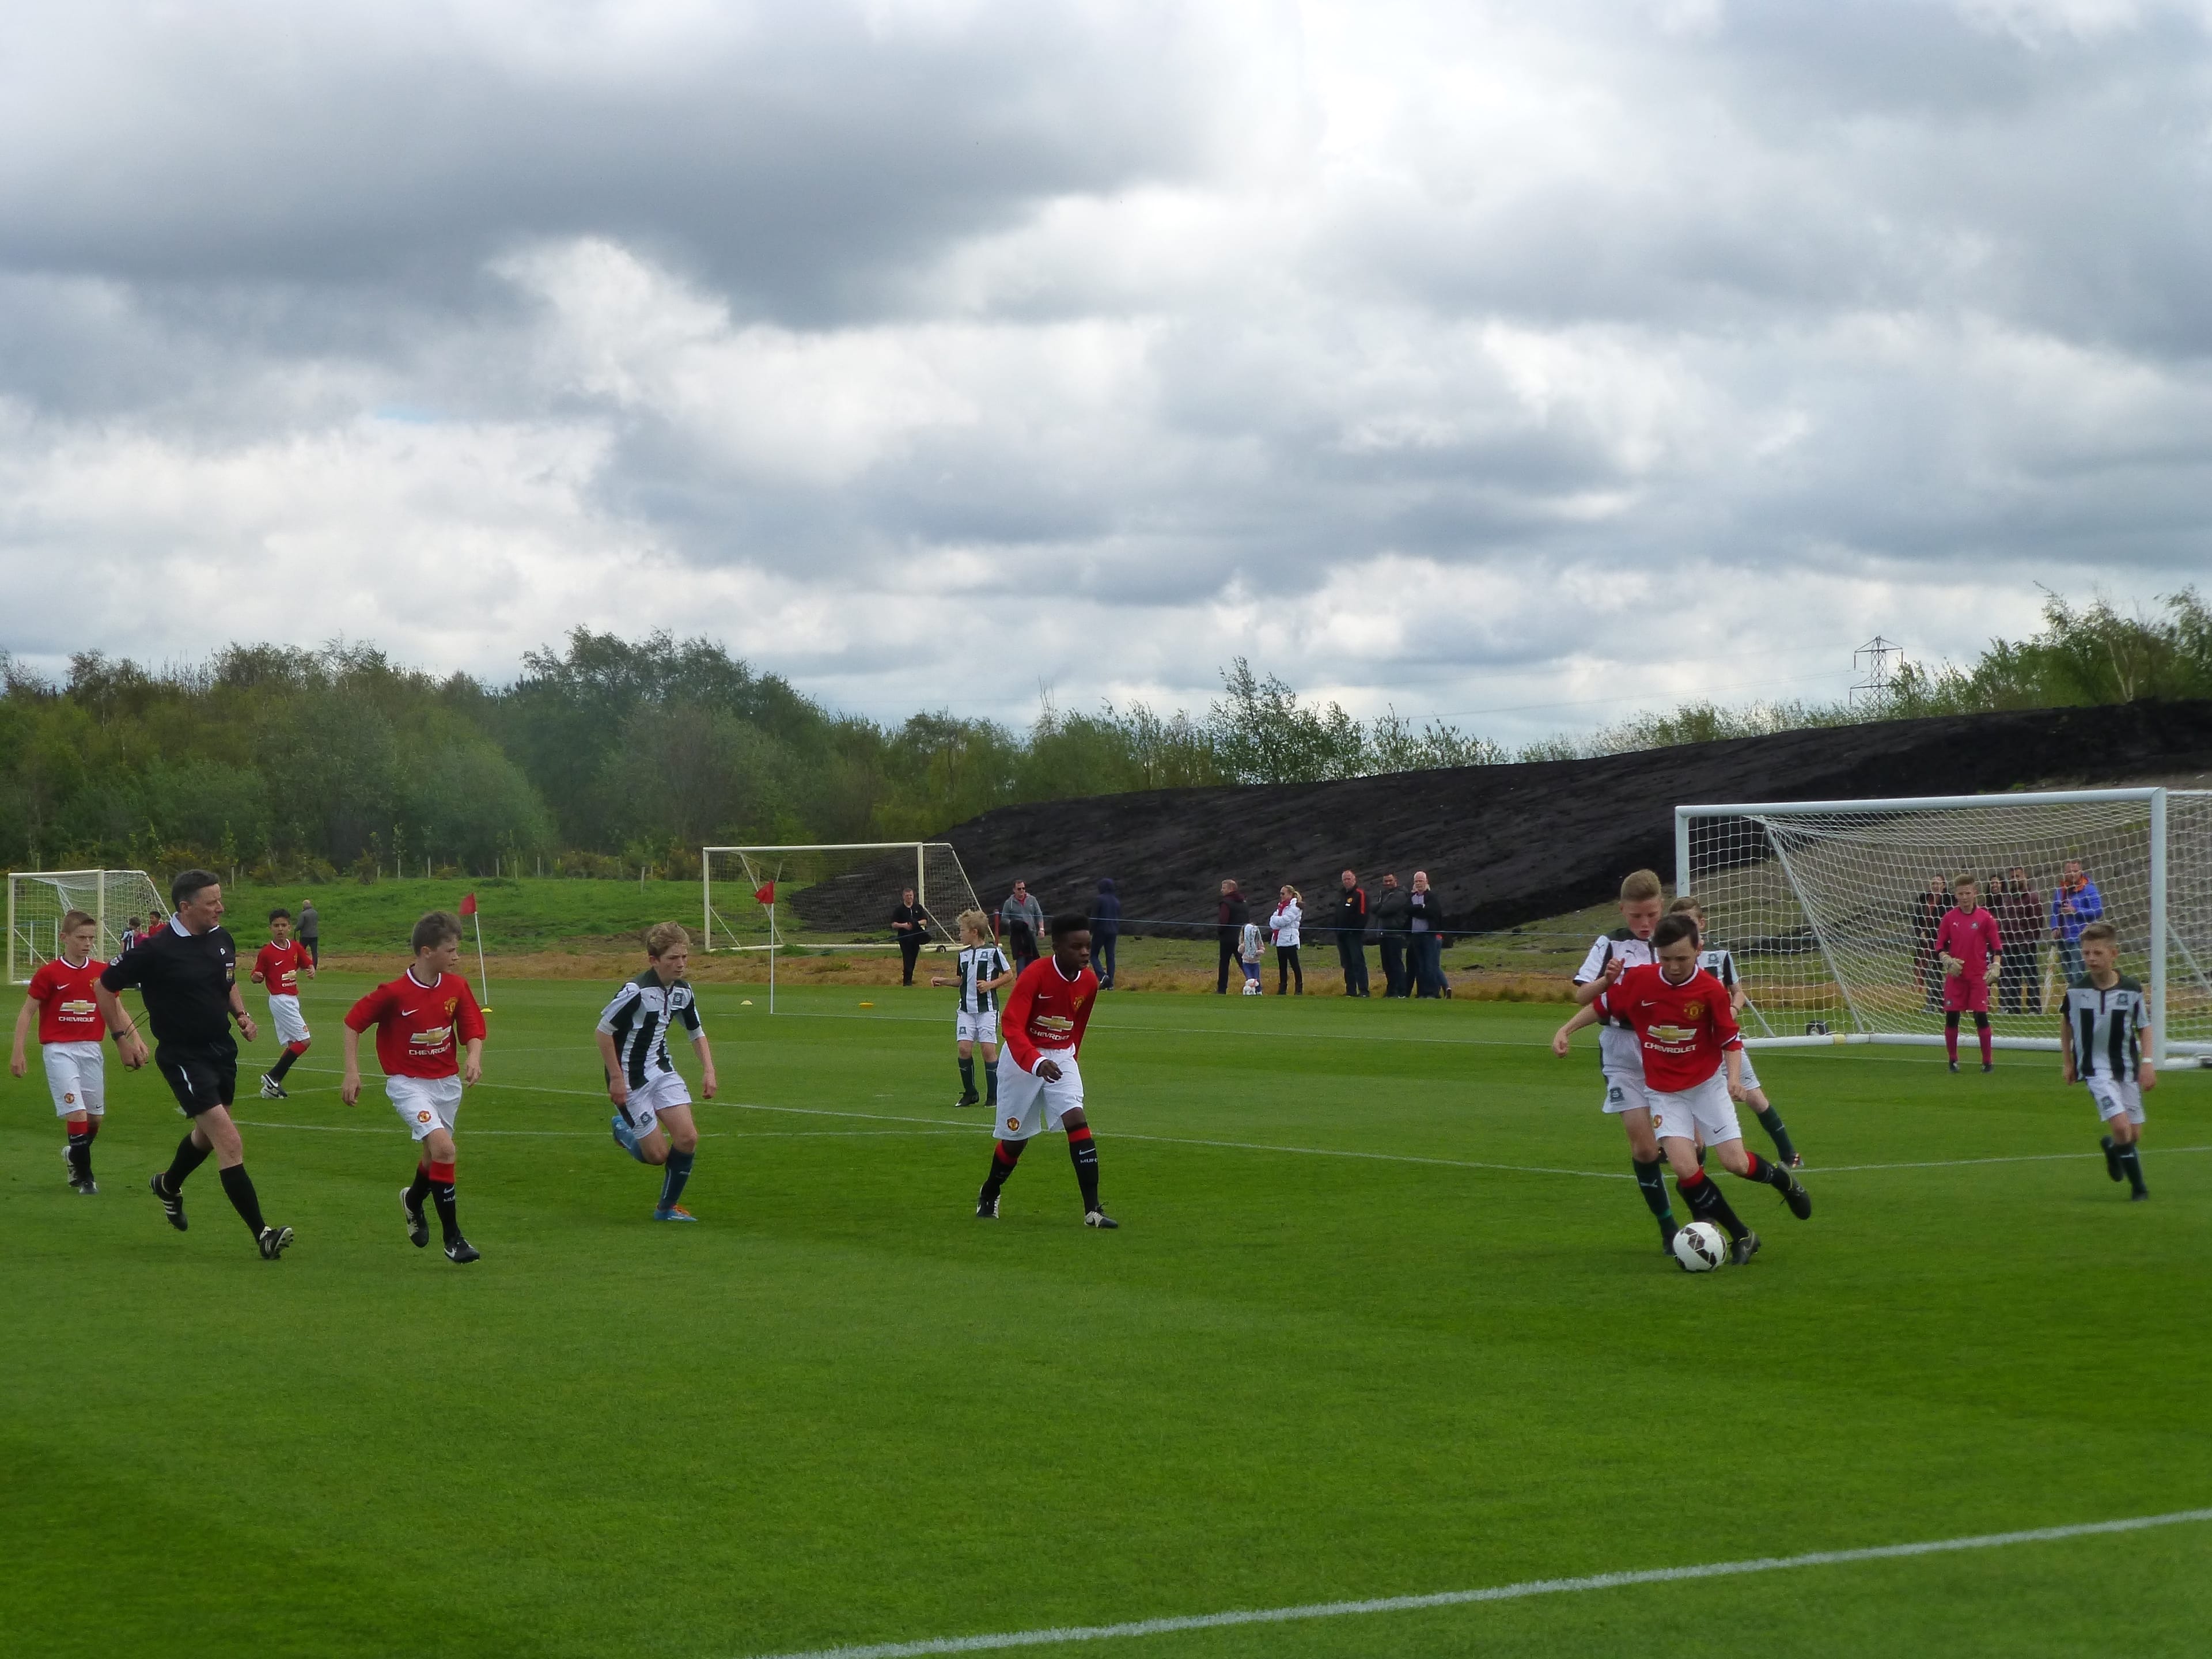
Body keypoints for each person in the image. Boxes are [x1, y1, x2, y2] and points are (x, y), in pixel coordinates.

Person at [1563, 912, 1812, 1267]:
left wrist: (1734, 1080)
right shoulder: (1639, 981)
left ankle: (1782, 1181)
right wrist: (1566, 1031)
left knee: (1735, 1164)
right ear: (1656, 953)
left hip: (1706, 1087)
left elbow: (1731, 1040)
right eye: (1666, 959)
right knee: (1685, 1170)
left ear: (1698, 949)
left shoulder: (1710, 989)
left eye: (1682, 958)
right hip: (1663, 1092)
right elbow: (1600, 1006)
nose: (1674, 966)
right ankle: (1742, 1235)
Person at [96, 868, 293, 1259]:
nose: (220, 907)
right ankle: (263, 1234)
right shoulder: (156, 949)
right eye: (212, 902)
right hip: (183, 1056)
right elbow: (104, 985)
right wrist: (121, 1040)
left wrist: (241, 1015)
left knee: (207, 1136)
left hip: (221, 1049)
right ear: (186, 907)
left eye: (220, 899)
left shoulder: (221, 938)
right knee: (229, 1141)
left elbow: (228, 981)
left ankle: (168, 1184)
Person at [340, 912, 488, 1262]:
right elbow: (352, 1024)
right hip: (408, 1085)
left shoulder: (457, 987)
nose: (457, 956)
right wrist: (352, 1071)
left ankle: (412, 1200)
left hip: (447, 1085)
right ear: (426, 951)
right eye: (450, 950)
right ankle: (454, 1239)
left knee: (433, 1156)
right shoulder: (393, 993)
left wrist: (474, 1057)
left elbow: (473, 1028)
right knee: (445, 1150)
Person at [1552, 869, 1677, 1252]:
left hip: (1668, 1047)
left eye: (1652, 915)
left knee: (1689, 1148)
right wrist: (1605, 983)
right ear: (1623, 910)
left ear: (1662, 908)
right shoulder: (1610, 944)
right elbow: (1582, 996)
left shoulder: (1677, 942)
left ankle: (1704, 1215)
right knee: (1644, 1150)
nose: (1645, 924)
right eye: (1637, 916)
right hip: (1622, 1050)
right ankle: (1669, 1230)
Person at [976, 911, 1116, 1228]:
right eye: (1076, 947)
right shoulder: (1035, 975)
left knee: (1076, 1118)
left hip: (1061, 1058)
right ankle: (990, 1191)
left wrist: (1071, 1059)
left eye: (1087, 946)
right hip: (1023, 1059)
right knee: (1016, 1140)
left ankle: (1093, 1210)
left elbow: (1077, 1026)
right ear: (1057, 946)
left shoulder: (1090, 982)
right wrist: (1037, 1062)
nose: (1084, 953)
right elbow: (1011, 1025)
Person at [596, 922, 718, 1222]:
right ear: (654, 960)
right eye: (673, 958)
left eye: (684, 957)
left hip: (662, 1071)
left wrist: (709, 1071)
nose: (681, 964)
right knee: (657, 1156)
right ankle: (623, 1131)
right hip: (630, 1080)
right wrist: (616, 1078)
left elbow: (696, 1032)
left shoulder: (684, 992)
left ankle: (666, 1209)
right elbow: (603, 1032)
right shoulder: (635, 991)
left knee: (688, 1138)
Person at [1668, 896, 1802, 1166]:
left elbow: (1738, 993)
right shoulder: (1669, 959)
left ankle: (1789, 1153)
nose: (1685, 928)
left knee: (1753, 1096)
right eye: (1678, 923)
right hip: (1689, 1043)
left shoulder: (1719, 955)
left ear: (1701, 923)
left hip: (1723, 1040)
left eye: (1689, 922)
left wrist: (1730, 1012)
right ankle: (1696, 1157)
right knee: (1687, 1099)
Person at [12, 908, 118, 1194]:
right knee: (78, 1113)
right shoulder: (49, 974)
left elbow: (116, 1007)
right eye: (81, 937)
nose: (87, 943)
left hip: (91, 1050)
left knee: (95, 1118)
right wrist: (18, 1051)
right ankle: (86, 1179)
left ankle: (73, 1155)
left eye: (91, 938)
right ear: (64, 937)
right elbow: (27, 1012)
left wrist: (133, 1041)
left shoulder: (101, 972)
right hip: (59, 1051)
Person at [2059, 921, 2154, 1201]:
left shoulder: (2131, 989)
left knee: (2133, 1134)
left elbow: (2144, 1026)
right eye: (2086, 953)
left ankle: (2113, 1150)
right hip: (2094, 1068)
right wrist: (2068, 1062)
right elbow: (2065, 1024)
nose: (2090, 959)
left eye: (2097, 953)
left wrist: (2148, 1061)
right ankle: (2140, 1189)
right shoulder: (2076, 991)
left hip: (2126, 1068)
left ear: (2114, 954)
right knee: (2122, 1126)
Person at [931, 908, 1013, 1108]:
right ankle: (970, 1093)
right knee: (964, 1049)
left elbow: (1009, 974)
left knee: (988, 1051)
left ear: (974, 932)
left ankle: (994, 1097)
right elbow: (961, 980)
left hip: (987, 1010)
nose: (960, 934)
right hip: (966, 1010)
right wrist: (943, 981)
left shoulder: (994, 952)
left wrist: (990, 985)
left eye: (962, 930)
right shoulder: (964, 955)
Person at [1936, 872, 2002, 1073]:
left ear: (1975, 893)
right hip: (1956, 976)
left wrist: (1996, 966)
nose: (1964, 897)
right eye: (1960, 894)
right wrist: (1947, 960)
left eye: (1967, 893)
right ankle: (1953, 1060)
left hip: (1977, 976)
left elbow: (1996, 948)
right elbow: (1939, 947)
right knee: (1952, 1017)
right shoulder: (1949, 918)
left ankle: (1988, 1061)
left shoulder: (1986, 918)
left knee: (1981, 1017)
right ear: (1955, 895)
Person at [252, 906, 317, 1098]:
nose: (280, 929)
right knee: (305, 1041)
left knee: (292, 1044)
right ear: (270, 928)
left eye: (283, 925)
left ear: (289, 927)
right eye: (276, 926)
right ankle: (273, 1076)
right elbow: (257, 975)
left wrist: (311, 969)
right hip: (280, 1000)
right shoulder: (267, 952)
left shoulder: (296, 947)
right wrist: (256, 977)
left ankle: (271, 1088)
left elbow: (307, 963)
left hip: (292, 999)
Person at [1994, 867, 2043, 1015]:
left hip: (2025, 944)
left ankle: (2034, 1008)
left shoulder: (2032, 897)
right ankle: (2014, 1007)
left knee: (2030, 976)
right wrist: (2002, 940)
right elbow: (2004, 920)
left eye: (2017, 876)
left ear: (2024, 877)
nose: (2014, 879)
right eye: (2012, 877)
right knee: (2012, 977)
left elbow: (2037, 922)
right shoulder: (2007, 898)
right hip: (2009, 944)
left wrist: (2029, 940)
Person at [2050, 859, 2104, 984]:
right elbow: (2054, 912)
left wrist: (2076, 910)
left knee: (2077, 974)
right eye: (2069, 871)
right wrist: (2054, 928)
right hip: (2063, 939)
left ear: (2081, 871)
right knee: (2068, 975)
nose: (2072, 874)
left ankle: (2079, 1000)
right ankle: (2074, 998)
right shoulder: (2060, 891)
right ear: (2064, 873)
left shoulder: (2089, 889)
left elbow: (2098, 911)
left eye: (2075, 871)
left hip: (2080, 938)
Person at [1407, 870, 1447, 998]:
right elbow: (1407, 910)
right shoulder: (1411, 897)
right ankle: (1422, 993)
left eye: (1421, 881)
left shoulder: (1431, 897)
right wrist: (1421, 908)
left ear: (1426, 882)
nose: (1419, 884)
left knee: (1429, 965)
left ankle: (1432, 993)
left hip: (1428, 935)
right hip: (1415, 935)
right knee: (1420, 966)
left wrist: (1417, 910)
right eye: (1417, 881)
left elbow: (1431, 912)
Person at [1912, 876, 1949, 1012]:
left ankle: (1934, 1003)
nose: (1936, 886)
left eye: (1938, 883)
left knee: (1936, 972)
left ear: (1944, 886)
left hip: (1942, 943)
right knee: (1929, 972)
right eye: (1933, 883)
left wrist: (1934, 935)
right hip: (1924, 943)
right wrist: (1921, 933)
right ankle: (1938, 1003)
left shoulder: (1948, 901)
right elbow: (1916, 920)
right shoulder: (1924, 901)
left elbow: (1946, 921)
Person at [1372, 873, 1410, 998]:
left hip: (1395, 933)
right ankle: (1392, 990)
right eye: (1386, 881)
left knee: (1396, 964)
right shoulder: (1384, 894)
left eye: (1390, 881)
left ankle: (1402, 991)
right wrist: (1379, 908)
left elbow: (1385, 910)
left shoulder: (1400, 894)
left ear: (1396, 881)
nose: (1388, 883)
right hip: (1384, 933)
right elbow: (1373, 907)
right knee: (1387, 965)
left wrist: (1379, 908)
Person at [1332, 870, 1370, 997]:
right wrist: (1337, 931)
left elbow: (1363, 915)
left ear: (1355, 879)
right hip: (1342, 935)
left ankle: (1364, 990)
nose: (1347, 881)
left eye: (1349, 879)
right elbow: (1337, 914)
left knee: (1358, 961)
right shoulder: (1341, 895)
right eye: (1345, 879)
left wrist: (1354, 930)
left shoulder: (1360, 894)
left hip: (1354, 935)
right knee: (1347, 963)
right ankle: (1351, 990)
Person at [999, 880, 1045, 975]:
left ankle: (1033, 985)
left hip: (1031, 935)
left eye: (1023, 888)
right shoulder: (1009, 903)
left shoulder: (1032, 900)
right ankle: (1021, 983)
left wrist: (1041, 929)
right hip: (1018, 937)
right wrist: (1014, 923)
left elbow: (1039, 915)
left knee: (1032, 961)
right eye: (1019, 889)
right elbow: (1004, 918)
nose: (1022, 891)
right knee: (1021, 963)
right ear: (1014, 890)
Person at [1214, 878, 1251, 994]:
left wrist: (1220, 931)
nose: (1222, 890)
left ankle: (1221, 989)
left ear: (1231, 889)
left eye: (1224, 888)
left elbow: (1223, 921)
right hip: (1241, 938)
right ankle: (1254, 984)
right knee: (1243, 963)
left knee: (1224, 964)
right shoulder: (1244, 903)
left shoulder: (1226, 903)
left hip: (1227, 938)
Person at [891, 887, 931, 987]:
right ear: (903, 897)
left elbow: (925, 921)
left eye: (911, 896)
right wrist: (904, 925)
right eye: (907, 896)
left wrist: (915, 923)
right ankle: (907, 981)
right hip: (904, 937)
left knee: (913, 958)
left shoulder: (918, 907)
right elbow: (894, 924)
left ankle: (910, 978)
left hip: (916, 937)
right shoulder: (899, 909)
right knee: (907, 958)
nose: (909, 898)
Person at [1268, 885, 1304, 995]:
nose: (1281, 896)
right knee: (1282, 966)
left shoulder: (1295, 907)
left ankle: (1299, 988)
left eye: (1283, 894)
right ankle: (1282, 988)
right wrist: (1277, 921)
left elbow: (1285, 920)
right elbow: (1272, 922)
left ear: (1290, 894)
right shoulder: (1281, 907)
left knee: (1295, 965)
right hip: (1280, 940)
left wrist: (1276, 921)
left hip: (1290, 940)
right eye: (1281, 894)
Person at [1089, 878, 1122, 989]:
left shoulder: (1099, 900)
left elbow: (1094, 918)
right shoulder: (1116, 901)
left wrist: (1089, 931)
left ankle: (1103, 976)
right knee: (1110, 956)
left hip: (1100, 930)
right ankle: (1111, 984)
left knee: (1093, 954)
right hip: (1113, 931)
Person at [1238, 915, 1264, 993]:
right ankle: (1249, 992)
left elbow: (1262, 950)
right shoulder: (1244, 942)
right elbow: (1240, 950)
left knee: (1256, 979)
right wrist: (1244, 945)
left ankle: (1259, 991)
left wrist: (1256, 952)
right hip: (1246, 963)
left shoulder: (1258, 941)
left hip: (1255, 963)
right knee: (1249, 979)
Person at [297, 898, 321, 968]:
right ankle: (315, 966)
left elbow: (300, 925)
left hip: (305, 936)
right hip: (314, 935)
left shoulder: (303, 914)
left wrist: (296, 929)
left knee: (301, 951)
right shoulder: (315, 913)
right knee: (314, 952)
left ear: (304, 906)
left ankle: (302, 966)